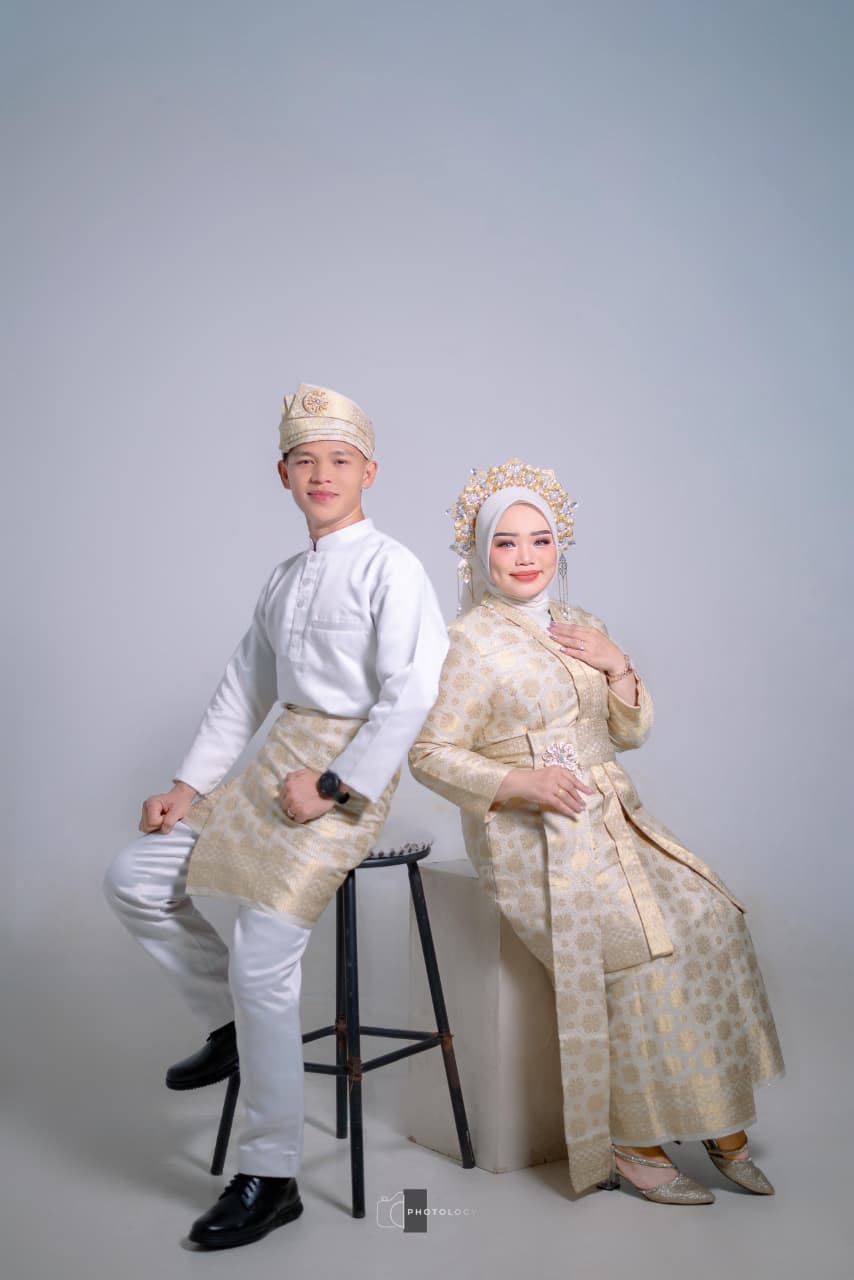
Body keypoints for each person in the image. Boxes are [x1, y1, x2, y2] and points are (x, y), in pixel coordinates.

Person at [104, 384, 448, 1248]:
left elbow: (412, 693)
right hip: (273, 763)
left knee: (262, 956)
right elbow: (243, 690)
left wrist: (332, 786)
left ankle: (270, 1174)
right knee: (135, 876)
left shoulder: (393, 567)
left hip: (344, 777)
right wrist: (187, 788)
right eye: (304, 460)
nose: (321, 474)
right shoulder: (285, 576)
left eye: (339, 460)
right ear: (283, 475)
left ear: (370, 471)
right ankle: (228, 1024)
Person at [408, 458, 783, 1205]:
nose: (525, 557)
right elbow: (429, 752)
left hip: (611, 811)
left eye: (540, 540)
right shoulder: (468, 641)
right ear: (480, 553)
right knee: (640, 951)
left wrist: (618, 667)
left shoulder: (583, 624)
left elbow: (628, 734)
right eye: (506, 542)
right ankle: (631, 1141)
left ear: (560, 547)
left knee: (710, 916)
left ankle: (718, 1118)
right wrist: (520, 783)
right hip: (531, 828)